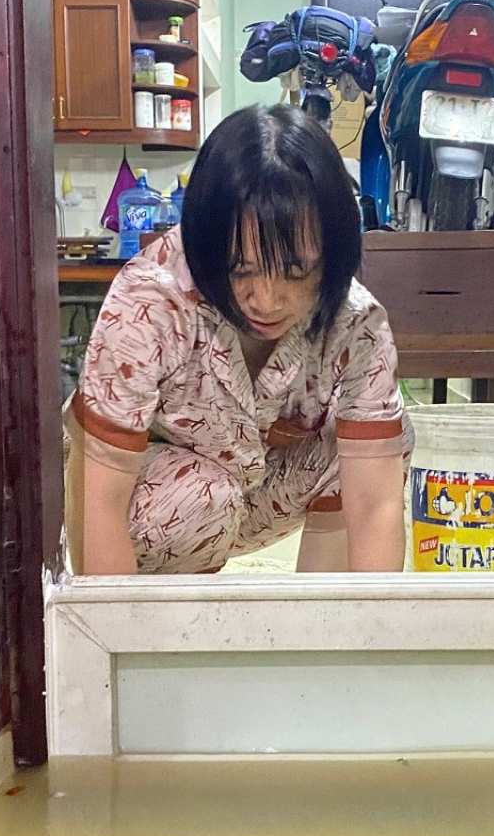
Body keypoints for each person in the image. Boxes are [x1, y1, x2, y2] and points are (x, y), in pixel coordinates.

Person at [64, 104, 412, 575]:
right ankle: (174, 611)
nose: (265, 301)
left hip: (254, 490)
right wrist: (110, 619)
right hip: (153, 503)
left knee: (384, 438)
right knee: (203, 498)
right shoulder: (150, 299)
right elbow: (99, 500)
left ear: (334, 253)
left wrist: (369, 623)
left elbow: (375, 508)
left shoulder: (356, 322)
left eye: (295, 272)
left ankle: (320, 615)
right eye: (240, 269)